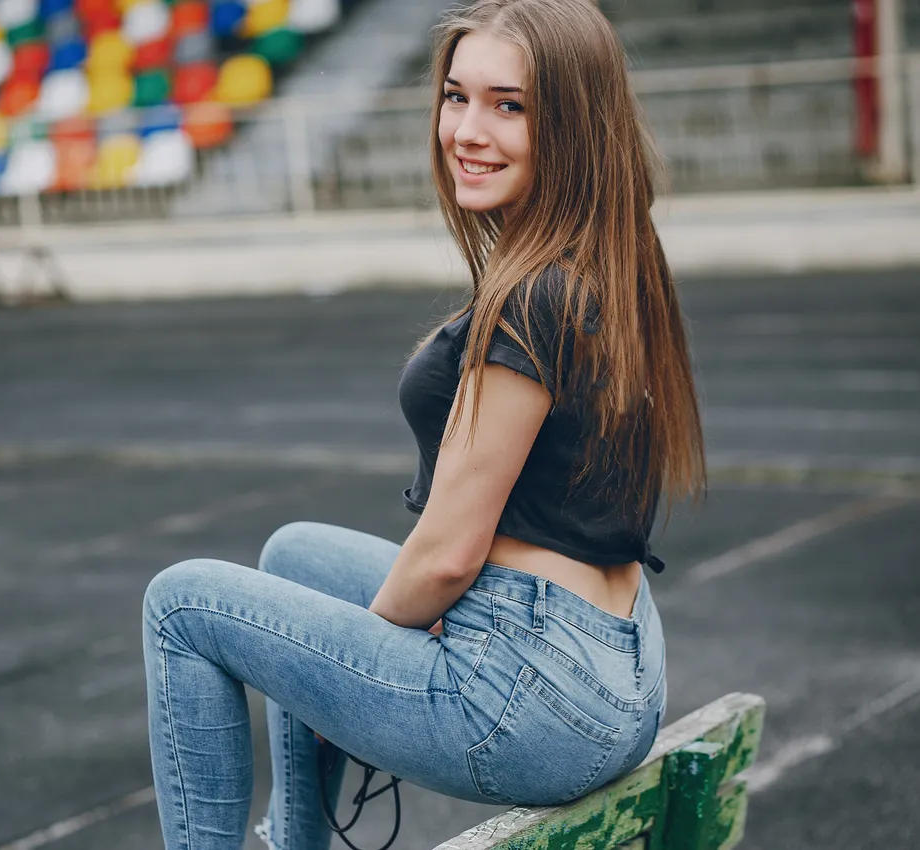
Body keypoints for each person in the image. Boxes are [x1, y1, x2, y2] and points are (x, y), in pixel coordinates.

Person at [140, 1, 706, 848]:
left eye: (509, 105)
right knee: (294, 555)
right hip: (616, 666)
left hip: (530, 696)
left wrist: (346, 663)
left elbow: (446, 557)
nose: (469, 130)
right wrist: (334, 665)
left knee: (180, 604)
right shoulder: (605, 259)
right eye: (456, 97)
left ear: (574, 125)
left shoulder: (529, 304)